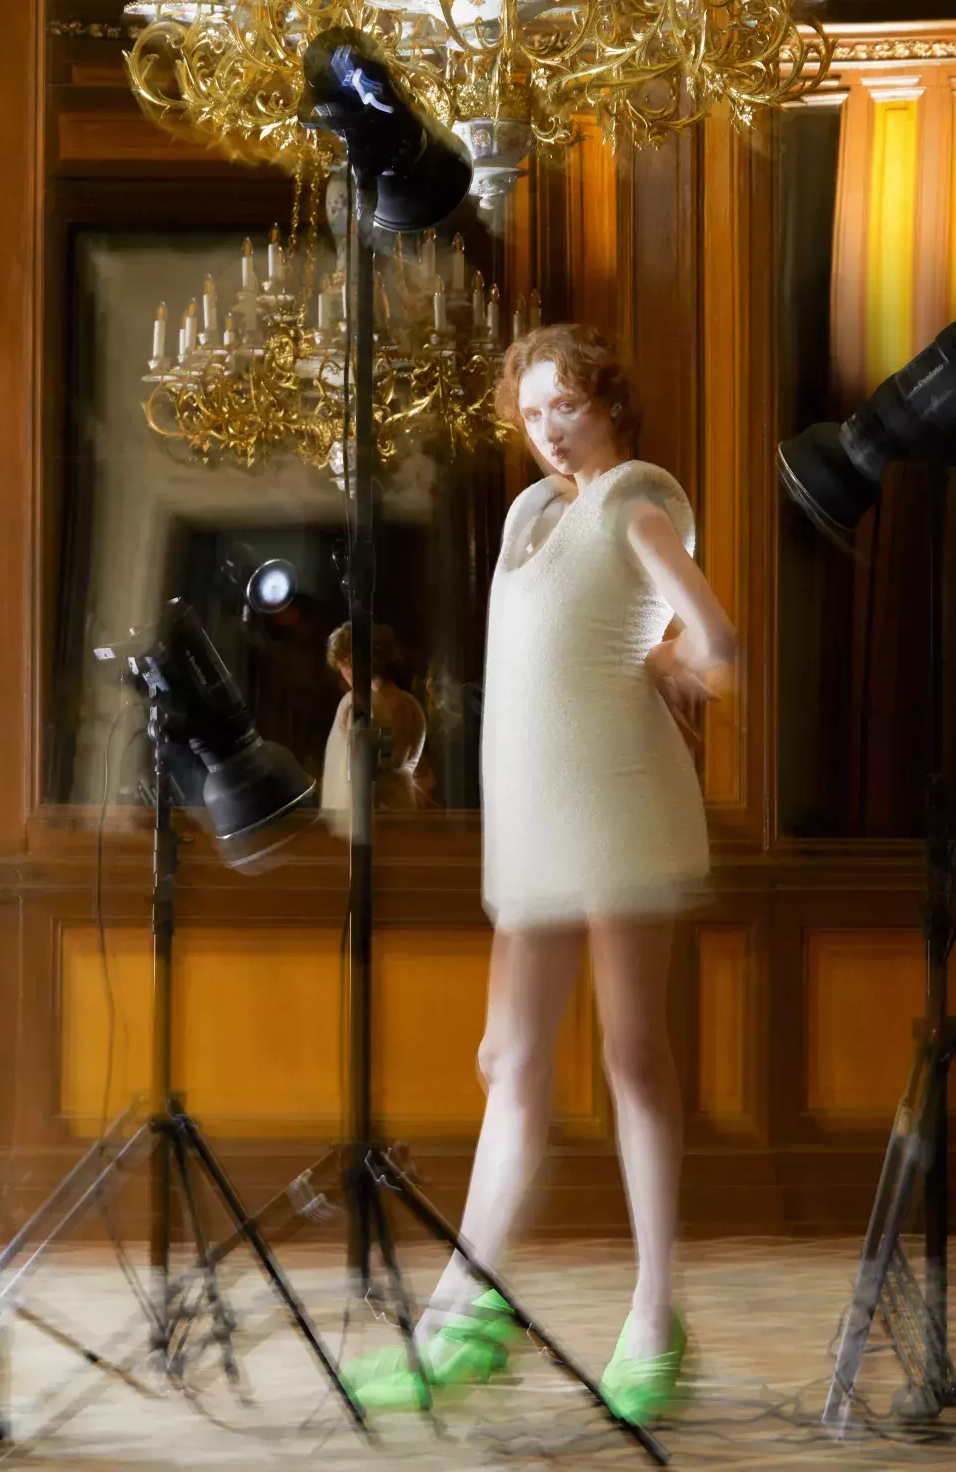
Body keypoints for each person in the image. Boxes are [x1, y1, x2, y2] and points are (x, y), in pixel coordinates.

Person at [343, 324, 737, 1424]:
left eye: (566, 404)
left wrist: (669, 660)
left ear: (607, 399)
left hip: (619, 807)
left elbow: (717, 643)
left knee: (632, 1055)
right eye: (530, 413)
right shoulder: (528, 514)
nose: (548, 428)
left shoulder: (633, 502)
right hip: (531, 821)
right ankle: (468, 1316)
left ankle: (653, 1320)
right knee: (507, 1057)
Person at [321, 622, 431, 829]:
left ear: (350, 661)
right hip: (405, 811)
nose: (342, 673)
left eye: (342, 664)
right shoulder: (411, 704)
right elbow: (402, 763)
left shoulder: (360, 703)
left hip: (369, 822)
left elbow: (362, 775)